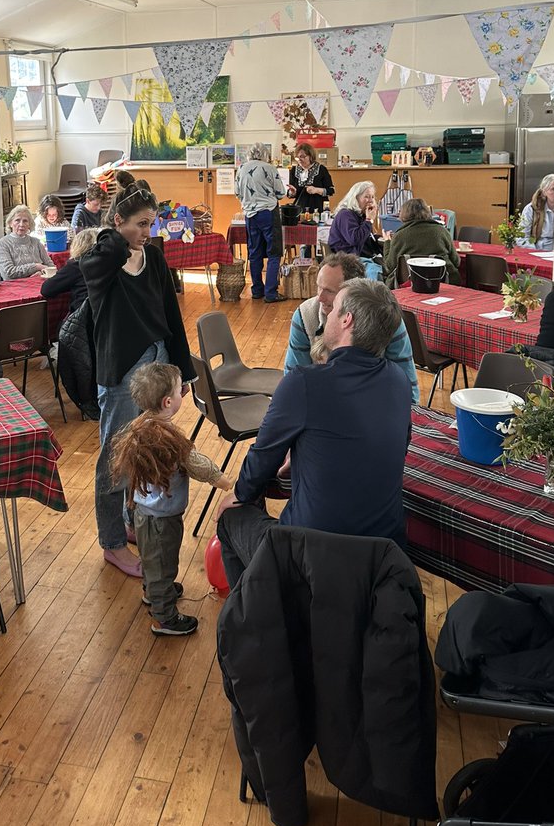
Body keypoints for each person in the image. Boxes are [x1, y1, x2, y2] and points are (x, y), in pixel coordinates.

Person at [215, 278, 412, 589]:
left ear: (347, 320)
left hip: (311, 558)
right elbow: (383, 447)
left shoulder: (304, 382)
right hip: (383, 555)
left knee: (232, 518)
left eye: (333, 309)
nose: (327, 314)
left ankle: (256, 617)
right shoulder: (399, 381)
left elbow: (263, 457)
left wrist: (240, 495)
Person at [80, 183, 195, 577]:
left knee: (144, 448)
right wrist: (117, 234)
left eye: (152, 223)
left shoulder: (154, 259)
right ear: (116, 223)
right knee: (115, 458)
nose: (148, 232)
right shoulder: (102, 262)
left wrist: (183, 373)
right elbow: (99, 255)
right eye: (141, 224)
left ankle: (131, 520)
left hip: (157, 363)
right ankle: (112, 540)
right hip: (121, 373)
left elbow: (171, 317)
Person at [111, 363, 232, 637]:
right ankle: (163, 616)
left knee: (153, 558)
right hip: (162, 519)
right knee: (164, 562)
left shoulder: (139, 426)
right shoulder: (169, 439)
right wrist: (222, 480)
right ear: (168, 402)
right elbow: (196, 463)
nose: (185, 391)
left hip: (142, 513)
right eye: (181, 390)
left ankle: (153, 591)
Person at [285, 252, 419, 400]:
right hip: (321, 404)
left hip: (374, 404)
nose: (320, 298)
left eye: (329, 291)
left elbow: (408, 385)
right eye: (319, 287)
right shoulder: (305, 316)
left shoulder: (386, 316)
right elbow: (293, 381)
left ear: (352, 293)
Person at [235, 143, 284, 303]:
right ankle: (271, 293)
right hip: (268, 212)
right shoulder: (269, 168)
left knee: (254, 252)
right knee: (274, 252)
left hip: (250, 214)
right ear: (265, 154)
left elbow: (237, 193)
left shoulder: (241, 168)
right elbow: (281, 193)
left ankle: (257, 290)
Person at [381, 198, 460, 286]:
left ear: (403, 214)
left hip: (407, 284)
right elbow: (456, 262)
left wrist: (387, 242)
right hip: (444, 283)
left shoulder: (399, 236)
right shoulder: (442, 231)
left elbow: (389, 267)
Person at [41, 227, 97, 314]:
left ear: (78, 246)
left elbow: (46, 290)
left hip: (84, 318)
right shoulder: (111, 263)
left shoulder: (77, 265)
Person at [0, 205, 55, 280]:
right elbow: (8, 273)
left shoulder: (36, 242)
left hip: (39, 283)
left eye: (25, 221)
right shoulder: (1, 244)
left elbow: (51, 267)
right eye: (17, 220)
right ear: (10, 223)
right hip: (14, 287)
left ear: (29, 225)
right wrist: (36, 266)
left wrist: (42, 273)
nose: (21, 224)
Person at [328, 181, 381, 259]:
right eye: (367, 197)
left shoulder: (361, 215)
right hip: (347, 261)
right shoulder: (345, 214)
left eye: (372, 197)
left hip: (359, 258)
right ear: (355, 198)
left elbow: (365, 238)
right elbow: (355, 239)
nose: (371, 200)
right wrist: (369, 220)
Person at [286, 142, 334, 214]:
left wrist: (317, 190)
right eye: (297, 157)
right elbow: (291, 193)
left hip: (318, 209)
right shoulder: (294, 170)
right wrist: (292, 192)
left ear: (311, 156)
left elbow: (331, 190)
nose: (300, 160)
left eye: (303, 156)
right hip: (300, 209)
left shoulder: (321, 169)